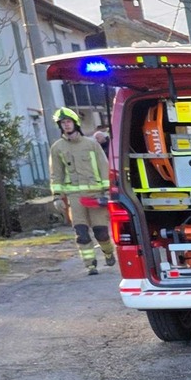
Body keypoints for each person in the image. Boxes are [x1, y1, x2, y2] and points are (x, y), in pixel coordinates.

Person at [46, 106, 111, 275]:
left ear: (75, 123)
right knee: (81, 233)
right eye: (62, 123)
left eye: (68, 122)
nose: (66, 125)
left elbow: (104, 167)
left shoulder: (91, 144)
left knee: (101, 232)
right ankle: (90, 264)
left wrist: (107, 191)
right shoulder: (57, 148)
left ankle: (108, 251)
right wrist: (57, 196)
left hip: (96, 196)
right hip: (75, 197)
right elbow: (56, 173)